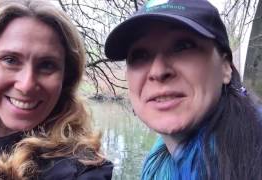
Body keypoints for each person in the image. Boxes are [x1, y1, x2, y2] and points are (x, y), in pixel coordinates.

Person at [0, 0, 113, 179]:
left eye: (47, 65)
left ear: (65, 78)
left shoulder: (83, 170)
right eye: (10, 60)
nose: (26, 85)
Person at [105, 0, 262, 179]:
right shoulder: (157, 165)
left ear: (225, 68)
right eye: (139, 55)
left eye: (183, 46)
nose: (158, 71)